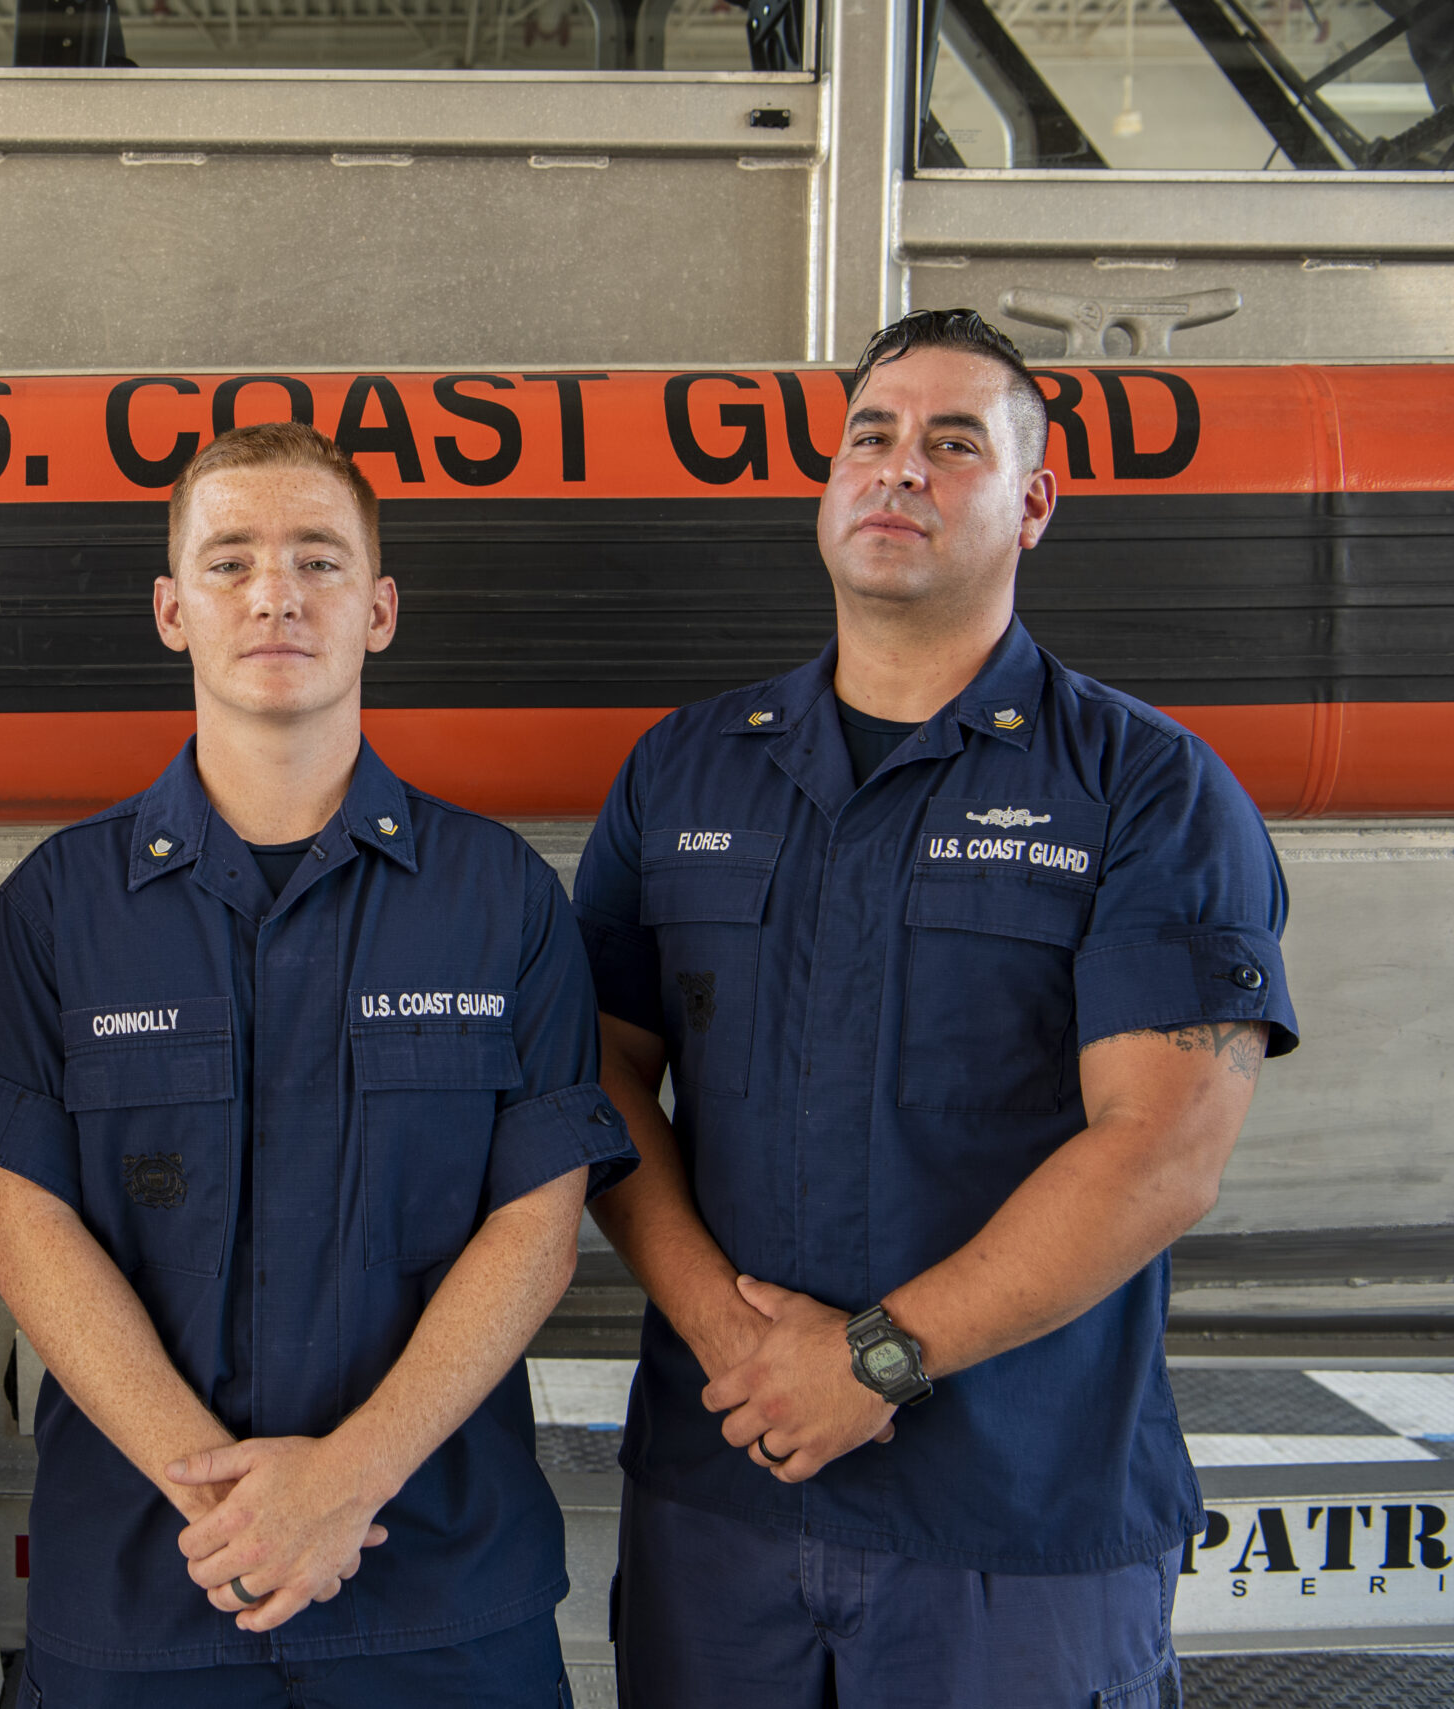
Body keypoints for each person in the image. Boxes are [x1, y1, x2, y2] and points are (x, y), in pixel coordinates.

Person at [574, 308, 1297, 1706]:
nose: (900, 468)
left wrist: (876, 1357)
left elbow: (1162, 1148)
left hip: (1017, 1537)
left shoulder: (1147, 788)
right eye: (873, 436)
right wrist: (738, 1344)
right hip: (725, 1505)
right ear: (828, 484)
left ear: (1032, 503)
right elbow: (596, 1073)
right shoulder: (684, 771)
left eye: (954, 443)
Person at [0, 420, 636, 1709]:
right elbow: (23, 1226)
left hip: (435, 1591)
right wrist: (234, 1504)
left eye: (318, 558)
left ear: (380, 608)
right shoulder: (55, 910)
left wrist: (343, 1482)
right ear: (171, 609)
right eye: (231, 558)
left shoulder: (503, 900)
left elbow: (539, 1224)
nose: (275, 593)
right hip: (153, 1583)